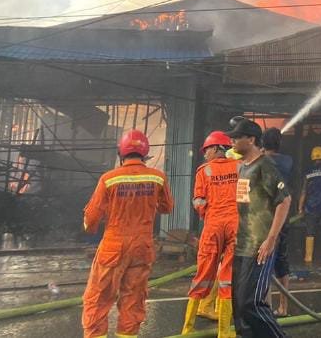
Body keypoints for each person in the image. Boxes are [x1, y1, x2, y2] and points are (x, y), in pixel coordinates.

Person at [81, 129, 173, 338]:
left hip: (113, 246)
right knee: (133, 300)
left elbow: (92, 217)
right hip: (142, 246)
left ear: (121, 153)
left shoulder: (109, 178)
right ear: (145, 153)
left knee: (98, 299)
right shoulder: (157, 177)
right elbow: (167, 207)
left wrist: (89, 228)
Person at [228, 116, 291, 338]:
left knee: (251, 303)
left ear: (252, 139)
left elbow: (284, 200)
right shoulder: (242, 168)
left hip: (260, 247)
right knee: (238, 305)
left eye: (237, 137)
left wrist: (271, 239)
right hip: (242, 244)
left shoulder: (265, 166)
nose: (232, 141)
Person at [182, 131, 238, 337]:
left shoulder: (203, 171)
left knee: (202, 276)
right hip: (235, 225)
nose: (205, 154)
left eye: (207, 150)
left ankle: (187, 329)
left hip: (213, 225)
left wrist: (209, 215)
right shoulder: (240, 168)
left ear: (216, 149)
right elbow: (246, 198)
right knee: (227, 279)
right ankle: (224, 333)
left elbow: (198, 202)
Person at [262, 127, 293, 318]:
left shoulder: (262, 162)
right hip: (284, 216)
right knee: (282, 261)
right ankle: (283, 307)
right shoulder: (288, 161)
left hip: (266, 218)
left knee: (264, 260)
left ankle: (265, 306)